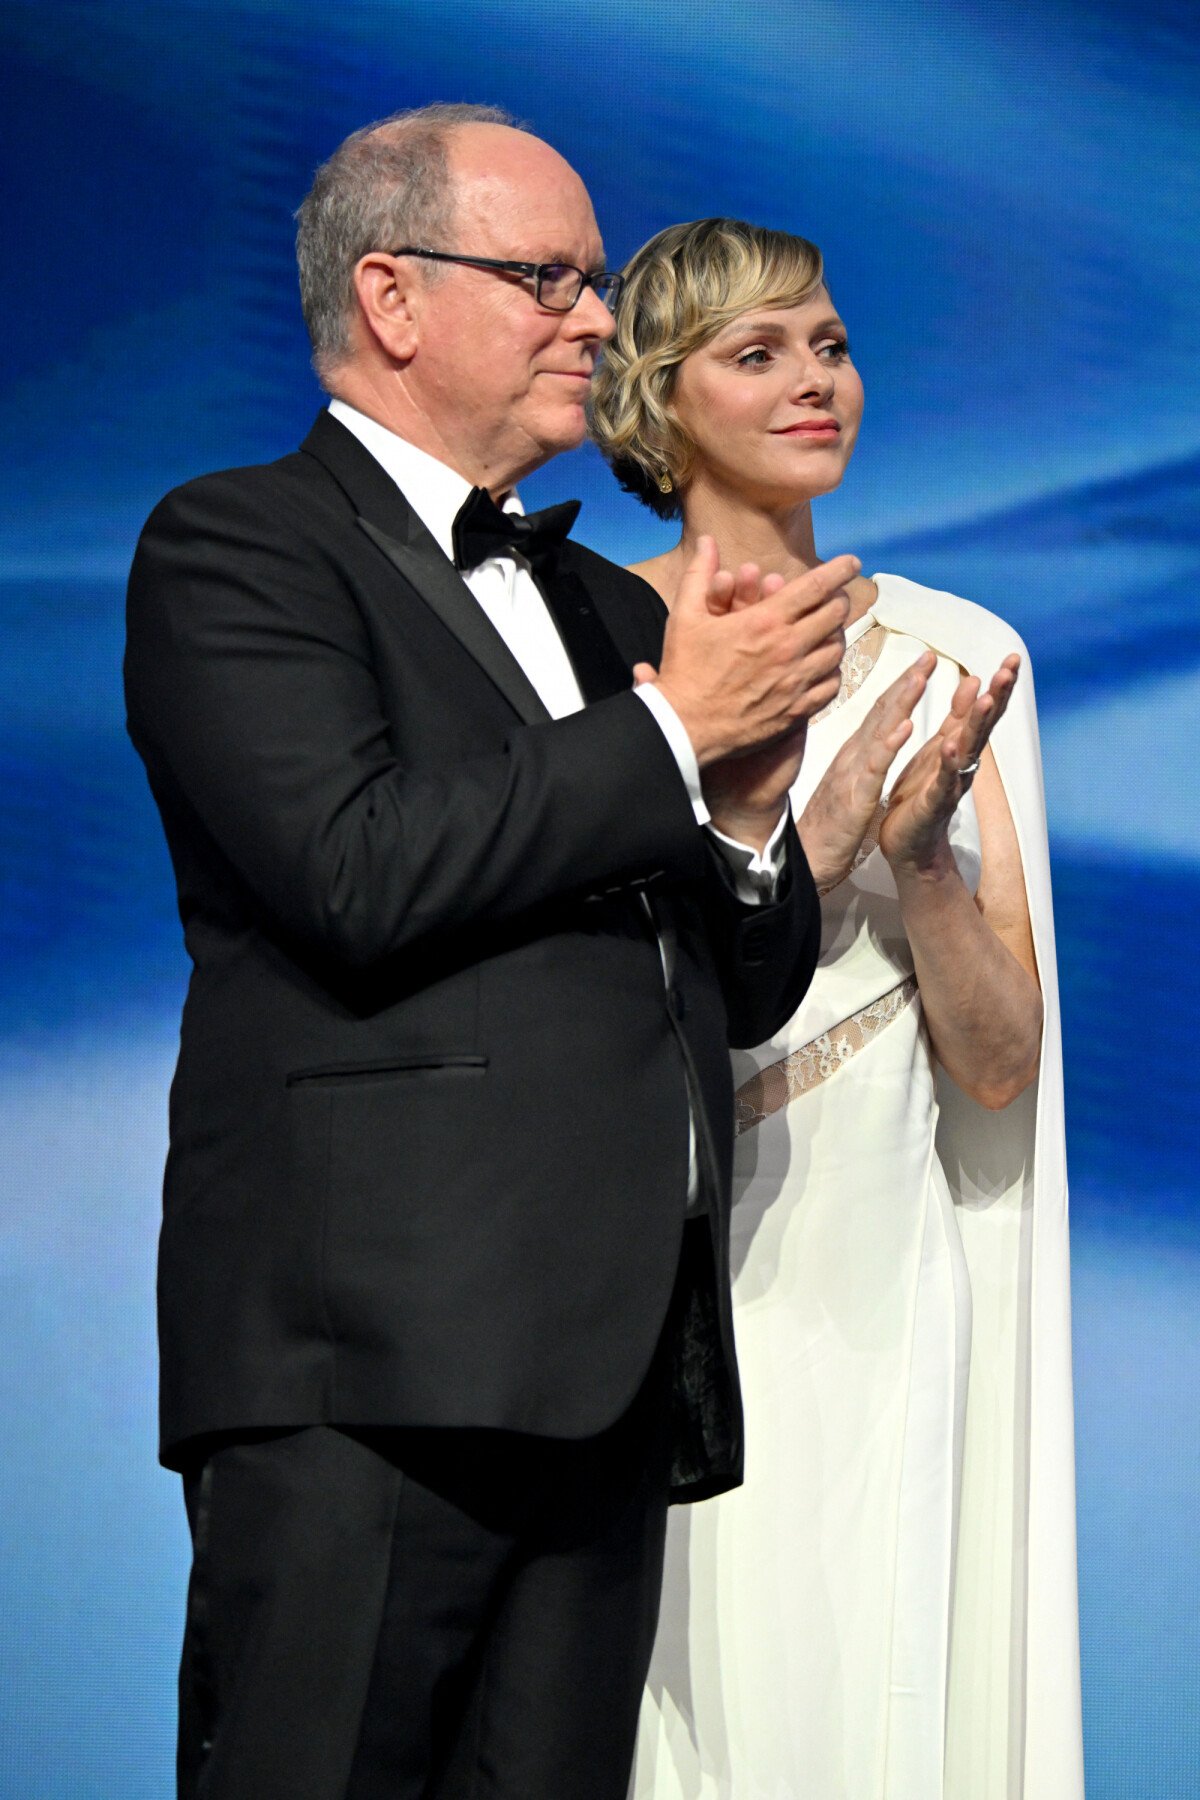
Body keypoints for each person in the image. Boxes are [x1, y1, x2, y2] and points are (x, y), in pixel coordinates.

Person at [123, 114, 857, 1800]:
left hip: (602, 1384)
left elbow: (726, 995)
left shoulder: (610, 609)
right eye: (548, 279)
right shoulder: (237, 546)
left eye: (593, 282)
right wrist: (677, 732)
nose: (596, 321)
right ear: (390, 295)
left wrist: (742, 812)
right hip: (366, 1374)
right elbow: (353, 870)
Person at [589, 218, 1084, 1799]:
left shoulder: (958, 657)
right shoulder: (581, 649)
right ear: (660, 406)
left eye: (832, 344)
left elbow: (1000, 1074)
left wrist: (921, 860)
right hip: (629, 1274)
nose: (818, 381)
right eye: (759, 353)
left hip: (876, 1278)